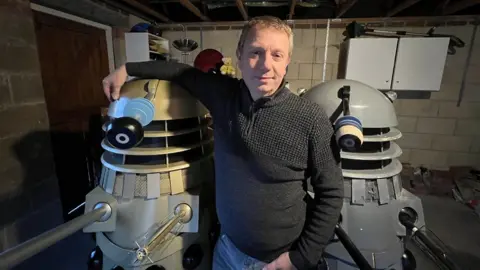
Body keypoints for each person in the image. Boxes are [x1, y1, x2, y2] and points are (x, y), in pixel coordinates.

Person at [102, 16, 344, 270]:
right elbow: (180, 72)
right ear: (239, 56)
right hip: (227, 250)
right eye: (255, 53)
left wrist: (301, 258)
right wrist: (127, 69)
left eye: (276, 55)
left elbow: (332, 193)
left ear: (287, 62)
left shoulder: (310, 118)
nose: (265, 65)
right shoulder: (223, 95)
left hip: (278, 260)